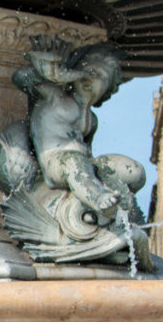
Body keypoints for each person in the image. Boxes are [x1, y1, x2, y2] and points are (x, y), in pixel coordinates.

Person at [17, 37, 141, 218]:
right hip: (55, 164)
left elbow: (87, 150)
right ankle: (98, 199)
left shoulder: (92, 119)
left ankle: (118, 200)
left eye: (99, 76)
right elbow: (20, 80)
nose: (90, 77)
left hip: (81, 167)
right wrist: (41, 73)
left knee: (132, 171)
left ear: (107, 87)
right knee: (74, 159)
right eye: (87, 71)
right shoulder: (56, 97)